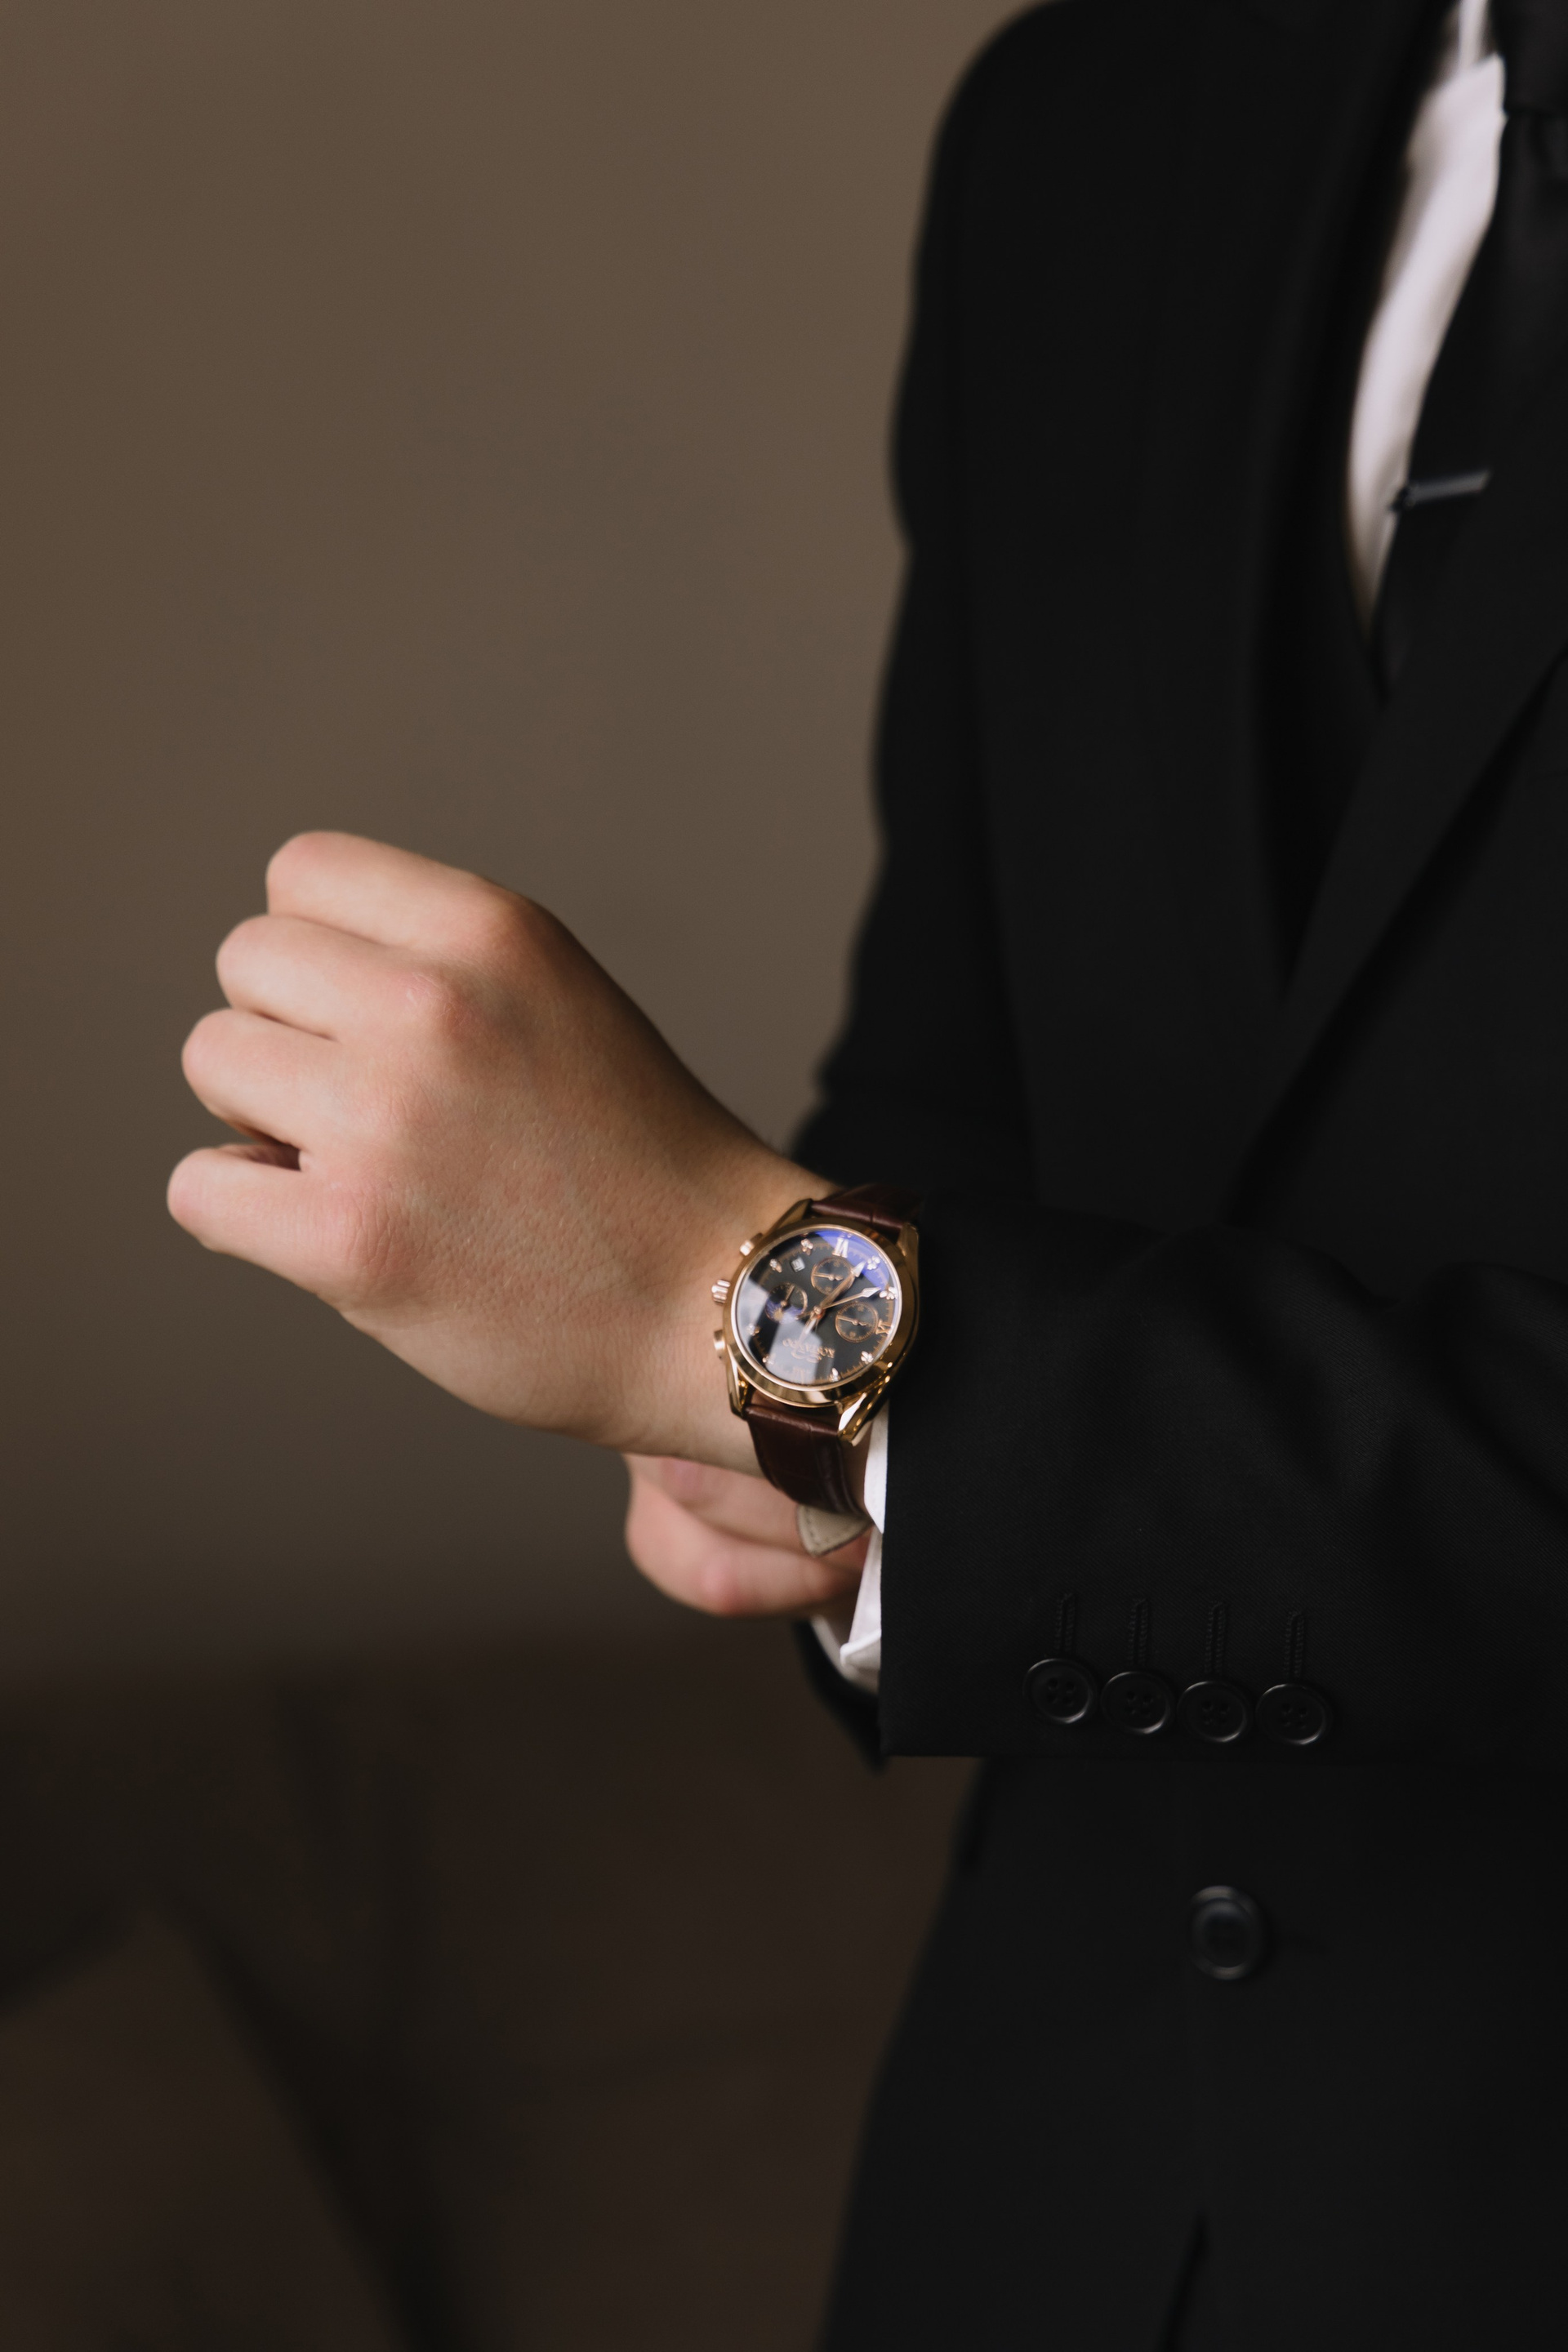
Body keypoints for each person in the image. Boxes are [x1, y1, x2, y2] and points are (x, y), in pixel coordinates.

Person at [168, 0, 1568, 2340]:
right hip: (1045, 2224)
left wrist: (764, 1318)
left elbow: (857, 1311)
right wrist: (802, 1458)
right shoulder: (1085, 128)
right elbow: (955, 1123)